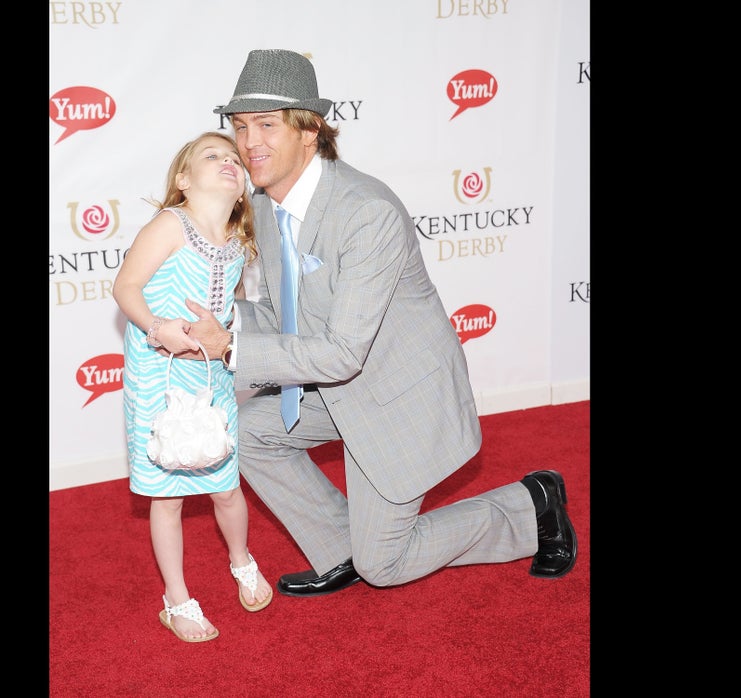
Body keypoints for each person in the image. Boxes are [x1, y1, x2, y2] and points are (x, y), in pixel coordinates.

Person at [186, 49, 577, 597]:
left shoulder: (365, 211)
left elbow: (343, 352)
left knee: (385, 566)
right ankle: (341, 548)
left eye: (267, 125)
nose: (250, 141)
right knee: (247, 433)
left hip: (396, 395)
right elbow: (283, 315)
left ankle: (530, 503)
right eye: (241, 124)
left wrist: (230, 346)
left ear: (309, 130)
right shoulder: (267, 206)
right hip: (335, 388)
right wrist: (211, 314)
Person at [112, 131, 273, 642]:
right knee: (169, 498)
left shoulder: (241, 241)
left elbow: (232, 312)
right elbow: (126, 286)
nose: (229, 161)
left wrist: (227, 343)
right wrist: (158, 329)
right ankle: (176, 598)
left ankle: (242, 559)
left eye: (234, 158)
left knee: (227, 487)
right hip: (158, 380)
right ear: (183, 180)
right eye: (212, 155)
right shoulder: (169, 225)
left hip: (212, 377)